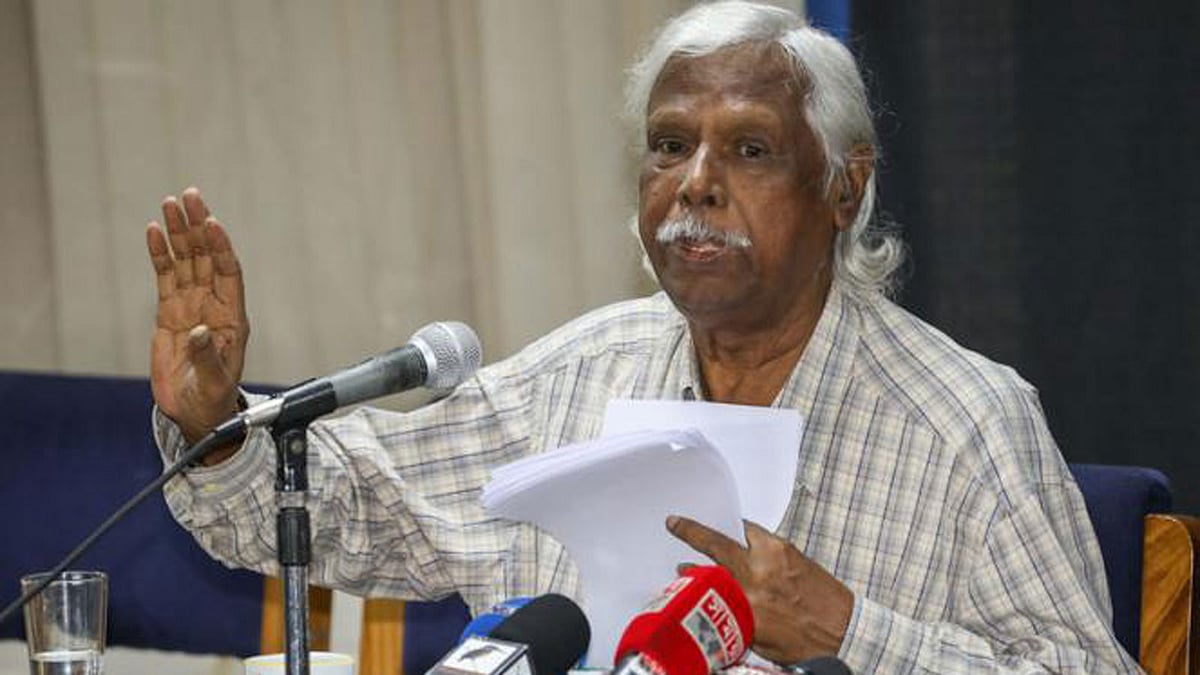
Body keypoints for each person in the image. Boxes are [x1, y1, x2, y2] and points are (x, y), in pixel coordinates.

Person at [146, 2, 1140, 672]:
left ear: (844, 187)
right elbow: (361, 511)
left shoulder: (966, 420)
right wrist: (218, 420)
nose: (696, 182)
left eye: (748, 149)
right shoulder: (581, 372)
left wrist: (849, 631)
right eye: (670, 146)